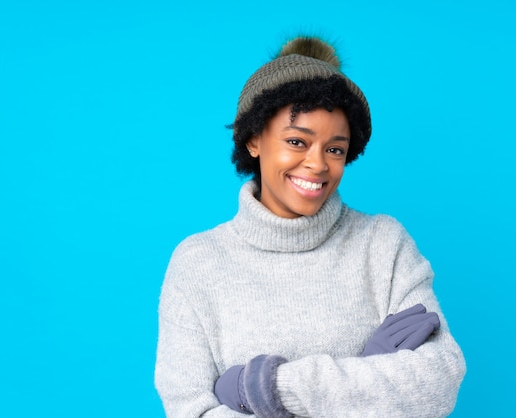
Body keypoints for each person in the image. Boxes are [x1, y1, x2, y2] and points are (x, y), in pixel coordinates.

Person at [155, 35, 466, 417]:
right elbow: (192, 410)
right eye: (297, 141)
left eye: (334, 149)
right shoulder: (197, 263)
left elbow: (438, 381)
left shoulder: (384, 245)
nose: (318, 164)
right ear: (254, 139)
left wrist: (265, 387)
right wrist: (365, 380)